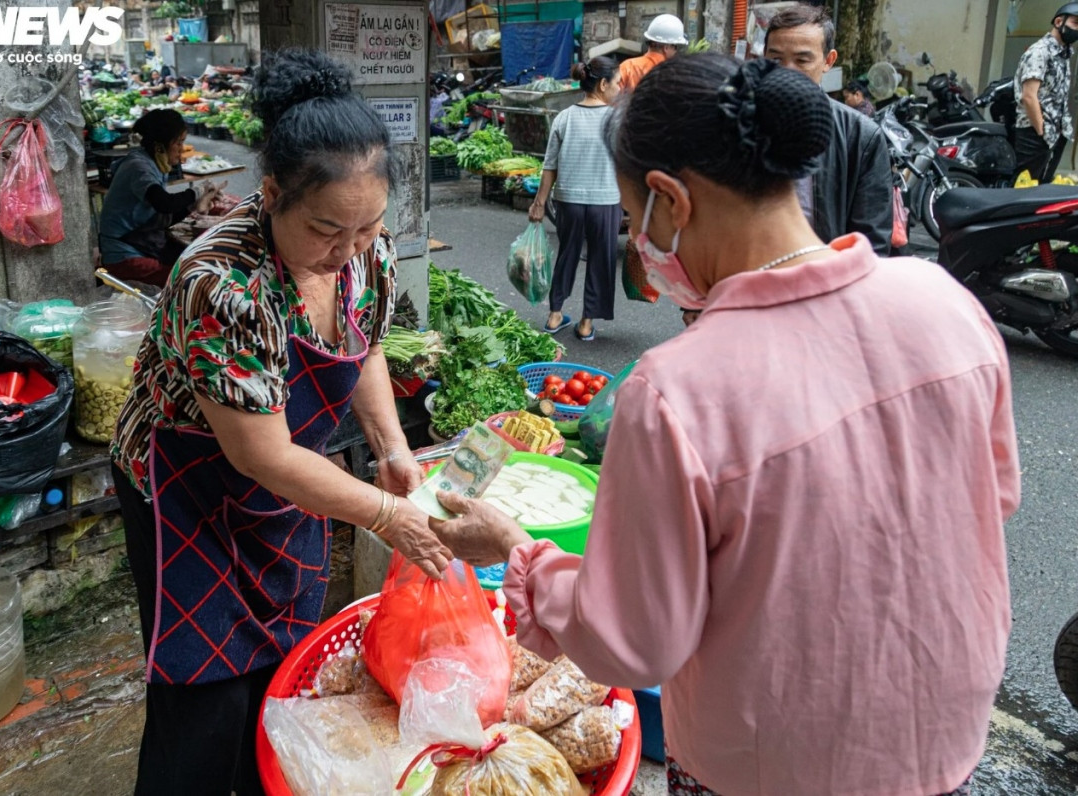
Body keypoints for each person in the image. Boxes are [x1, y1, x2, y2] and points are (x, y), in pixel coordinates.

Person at [431, 54, 1018, 796]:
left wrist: (520, 552)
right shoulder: (942, 301)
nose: (636, 247)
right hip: (943, 735)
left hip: (772, 764)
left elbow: (634, 641)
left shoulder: (679, 389)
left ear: (671, 201)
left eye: (630, 216)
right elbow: (988, 503)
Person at [109, 48, 452, 795]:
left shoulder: (366, 254)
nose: (348, 251)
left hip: (292, 481)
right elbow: (261, 453)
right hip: (186, 492)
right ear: (270, 195)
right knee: (203, 698)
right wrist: (388, 514)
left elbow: (359, 347)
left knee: (284, 675)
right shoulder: (222, 284)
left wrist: (393, 449)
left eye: (368, 228)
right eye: (327, 229)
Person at [764, 4, 892, 255]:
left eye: (802, 60)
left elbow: (871, 241)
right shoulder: (738, 124)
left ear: (828, 60)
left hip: (825, 280)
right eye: (776, 59)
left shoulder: (861, 136)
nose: (787, 71)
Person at [530, 57, 623, 342]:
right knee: (601, 259)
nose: (620, 88)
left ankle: (555, 314)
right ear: (603, 84)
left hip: (568, 202)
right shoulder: (615, 119)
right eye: (617, 82)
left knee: (567, 254)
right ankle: (585, 323)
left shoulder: (564, 117)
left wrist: (539, 202)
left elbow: (550, 165)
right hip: (605, 201)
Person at [98, 109, 225, 288]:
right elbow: (164, 203)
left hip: (139, 242)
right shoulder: (139, 167)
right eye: (179, 142)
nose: (182, 149)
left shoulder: (154, 164)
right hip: (124, 256)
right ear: (160, 146)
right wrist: (197, 191)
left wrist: (194, 205)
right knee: (190, 282)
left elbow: (163, 216)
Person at [1013, 3, 1078, 183]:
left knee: (1042, 187)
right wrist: (1041, 131)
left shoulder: (1063, 54)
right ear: (1059, 22)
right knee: (1023, 187)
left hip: (1057, 132)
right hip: (1034, 133)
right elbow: (1028, 95)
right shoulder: (1040, 52)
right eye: (1075, 23)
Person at [618, 13, 687, 94]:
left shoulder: (627, 66)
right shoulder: (673, 72)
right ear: (666, 48)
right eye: (675, 47)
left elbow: (613, 98)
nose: (676, 51)